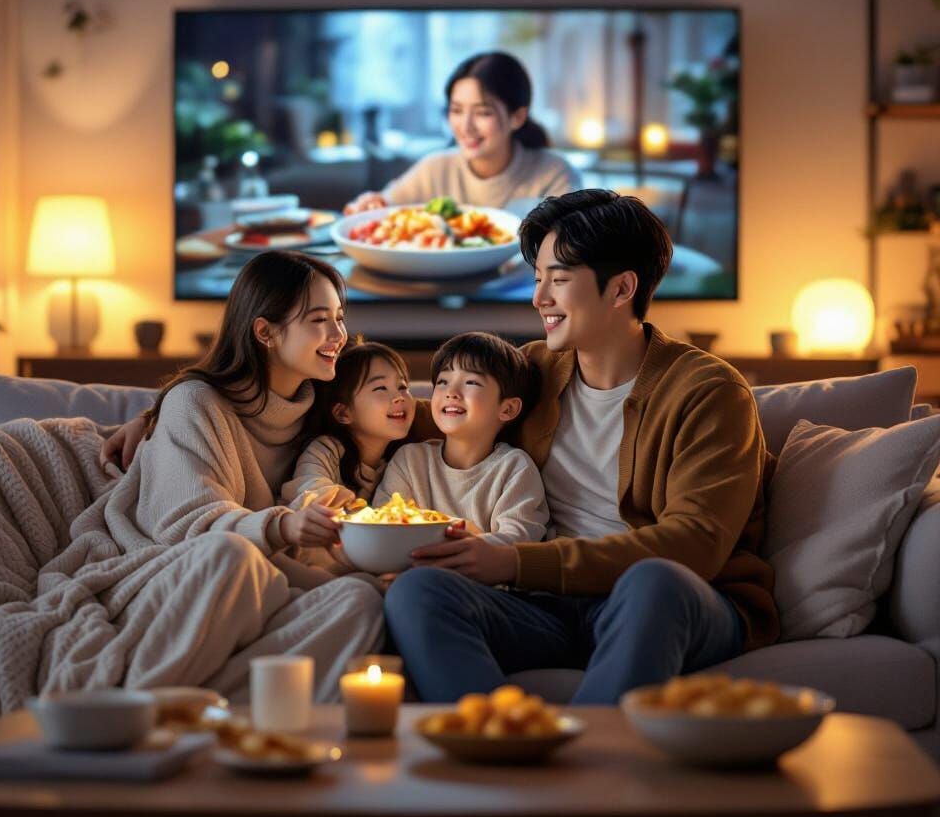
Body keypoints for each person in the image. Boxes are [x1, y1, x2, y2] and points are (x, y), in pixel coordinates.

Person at [383, 189, 778, 703]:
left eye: (559, 279)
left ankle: (593, 753)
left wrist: (516, 561)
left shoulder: (709, 392)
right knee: (418, 591)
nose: (539, 298)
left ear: (622, 289)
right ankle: (494, 735)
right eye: (538, 278)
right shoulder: (533, 370)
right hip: (545, 607)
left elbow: (694, 545)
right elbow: (429, 416)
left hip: (667, 603)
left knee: (654, 582)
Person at [98, 250, 384, 701]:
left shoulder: (328, 406)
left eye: (340, 318)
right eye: (319, 320)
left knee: (361, 600)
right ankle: (143, 710)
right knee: (231, 555)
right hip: (182, 569)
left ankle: (216, 711)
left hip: (272, 580)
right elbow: (185, 528)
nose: (338, 335)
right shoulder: (196, 403)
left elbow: (418, 412)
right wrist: (282, 526)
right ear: (265, 332)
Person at [344, 52, 580, 214]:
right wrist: (370, 205)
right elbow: (384, 207)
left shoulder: (554, 173)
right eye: (456, 110)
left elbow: (574, 250)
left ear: (517, 117)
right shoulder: (436, 168)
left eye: (483, 112)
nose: (466, 126)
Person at [373, 331, 548, 546]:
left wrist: (468, 544)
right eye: (443, 381)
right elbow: (382, 526)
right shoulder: (409, 460)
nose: (451, 392)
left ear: (507, 409)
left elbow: (519, 540)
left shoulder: (515, 468)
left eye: (471, 382)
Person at [278, 339, 416, 570]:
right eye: (381, 388)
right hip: (309, 554)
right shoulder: (327, 449)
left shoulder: (403, 461)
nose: (399, 396)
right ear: (343, 413)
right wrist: (360, 511)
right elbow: (310, 489)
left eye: (402, 386)